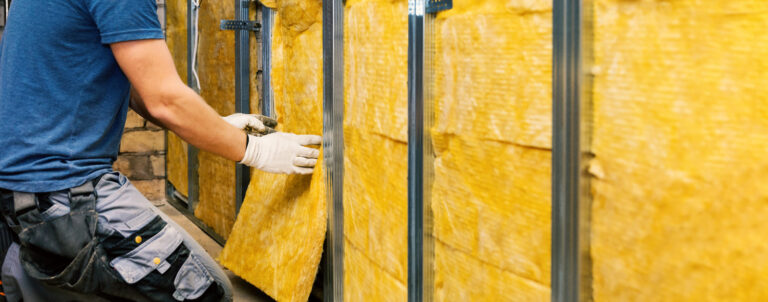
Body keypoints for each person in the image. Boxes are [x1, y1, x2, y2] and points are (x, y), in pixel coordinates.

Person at [0, 0, 321, 300]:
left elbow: (137, 85)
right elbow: (164, 99)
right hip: (63, 194)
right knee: (204, 290)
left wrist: (216, 125)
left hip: (20, 194)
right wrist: (256, 151)